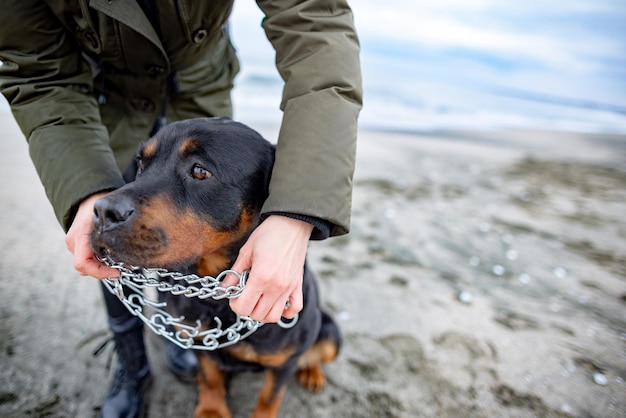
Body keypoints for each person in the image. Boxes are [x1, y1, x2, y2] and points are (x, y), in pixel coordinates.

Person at [0, 0, 362, 417]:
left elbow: (317, 31)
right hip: (106, 96)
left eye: (200, 173)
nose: (117, 203)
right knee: (137, 247)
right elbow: (39, 72)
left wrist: (296, 215)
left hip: (197, 82)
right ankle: (138, 363)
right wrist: (86, 191)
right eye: (144, 165)